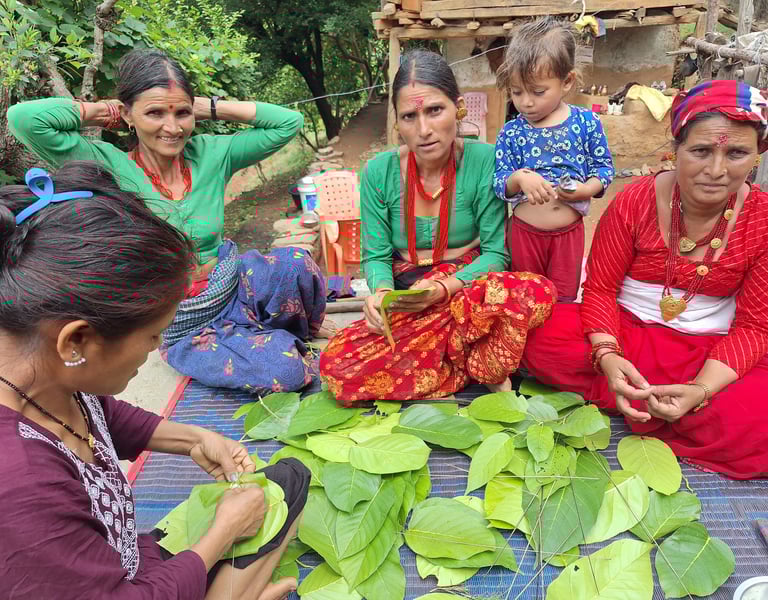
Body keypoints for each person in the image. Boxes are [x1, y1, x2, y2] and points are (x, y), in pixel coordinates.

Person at [0, 161, 310, 599]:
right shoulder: (20, 482)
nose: (158, 347)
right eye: (152, 335)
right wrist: (222, 533)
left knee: (287, 482)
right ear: (77, 341)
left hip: (117, 563)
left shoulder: (44, 374)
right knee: (252, 521)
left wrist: (196, 438)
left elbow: (103, 417)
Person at [7, 48, 327, 396]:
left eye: (182, 113)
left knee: (294, 263)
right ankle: (247, 342)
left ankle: (268, 332)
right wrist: (105, 111)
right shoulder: (108, 165)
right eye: (155, 113)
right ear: (129, 115)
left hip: (232, 287)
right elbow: (24, 119)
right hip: (180, 319)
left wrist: (209, 107)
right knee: (286, 371)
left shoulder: (212, 154)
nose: (172, 128)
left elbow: (288, 123)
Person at [523, 80, 768, 479]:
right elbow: (601, 289)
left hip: (710, 350)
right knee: (536, 335)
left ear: (758, 154)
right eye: (700, 151)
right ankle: (653, 402)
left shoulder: (762, 220)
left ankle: (661, 402)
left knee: (758, 416)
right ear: (676, 149)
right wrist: (608, 357)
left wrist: (701, 389)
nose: (716, 170)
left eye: (736, 153)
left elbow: (755, 327)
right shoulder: (635, 201)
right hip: (627, 331)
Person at [319, 50, 556, 404]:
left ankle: (455, 354)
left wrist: (444, 288)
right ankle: (470, 357)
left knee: (536, 291)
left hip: (467, 290)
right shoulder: (378, 172)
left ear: (457, 108)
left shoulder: (484, 160)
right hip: (410, 299)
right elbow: (377, 256)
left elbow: (496, 254)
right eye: (409, 116)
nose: (424, 130)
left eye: (434, 110)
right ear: (396, 122)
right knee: (336, 365)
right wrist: (381, 294)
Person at [494, 17, 614, 302]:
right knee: (524, 301)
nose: (526, 102)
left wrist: (586, 189)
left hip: (567, 237)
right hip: (524, 236)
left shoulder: (586, 122)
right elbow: (499, 182)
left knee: (563, 301)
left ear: (566, 81)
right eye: (516, 92)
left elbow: (604, 169)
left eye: (538, 92)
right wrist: (519, 178)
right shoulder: (511, 131)